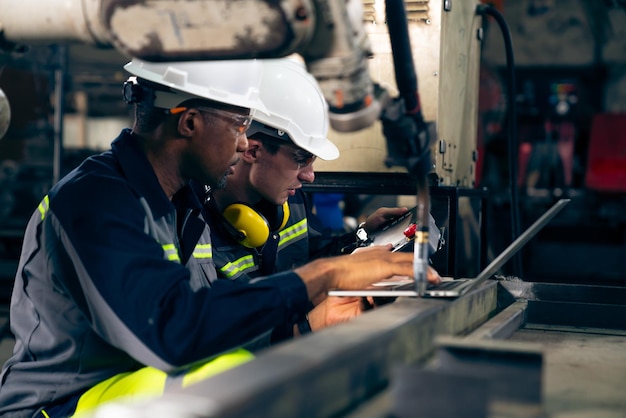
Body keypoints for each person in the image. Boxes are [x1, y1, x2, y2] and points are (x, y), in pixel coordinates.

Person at [0, 57, 441, 417]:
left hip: (125, 381)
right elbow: (173, 331)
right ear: (189, 122)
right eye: (238, 125)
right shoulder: (97, 201)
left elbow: (214, 307)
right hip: (58, 405)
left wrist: (351, 250)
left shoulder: (180, 197)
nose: (244, 142)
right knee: (235, 380)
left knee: (249, 372)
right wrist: (325, 276)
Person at [204, 58, 439, 339]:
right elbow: (211, 338)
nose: (310, 177)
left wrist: (359, 239)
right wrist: (306, 327)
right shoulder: (193, 224)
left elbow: (310, 258)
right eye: (301, 159)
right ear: (252, 151)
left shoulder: (289, 201)